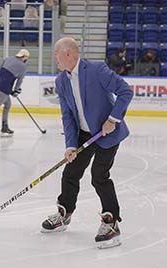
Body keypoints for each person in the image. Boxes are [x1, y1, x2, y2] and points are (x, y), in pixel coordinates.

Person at [41, 37, 133, 249]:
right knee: (70, 173)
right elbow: (68, 116)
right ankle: (64, 213)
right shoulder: (61, 81)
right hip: (83, 134)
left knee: (99, 176)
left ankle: (111, 221)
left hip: (106, 132)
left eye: (56, 53)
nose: (54, 57)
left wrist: (113, 119)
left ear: (68, 54)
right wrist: (70, 145)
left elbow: (125, 92)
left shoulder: (96, 70)